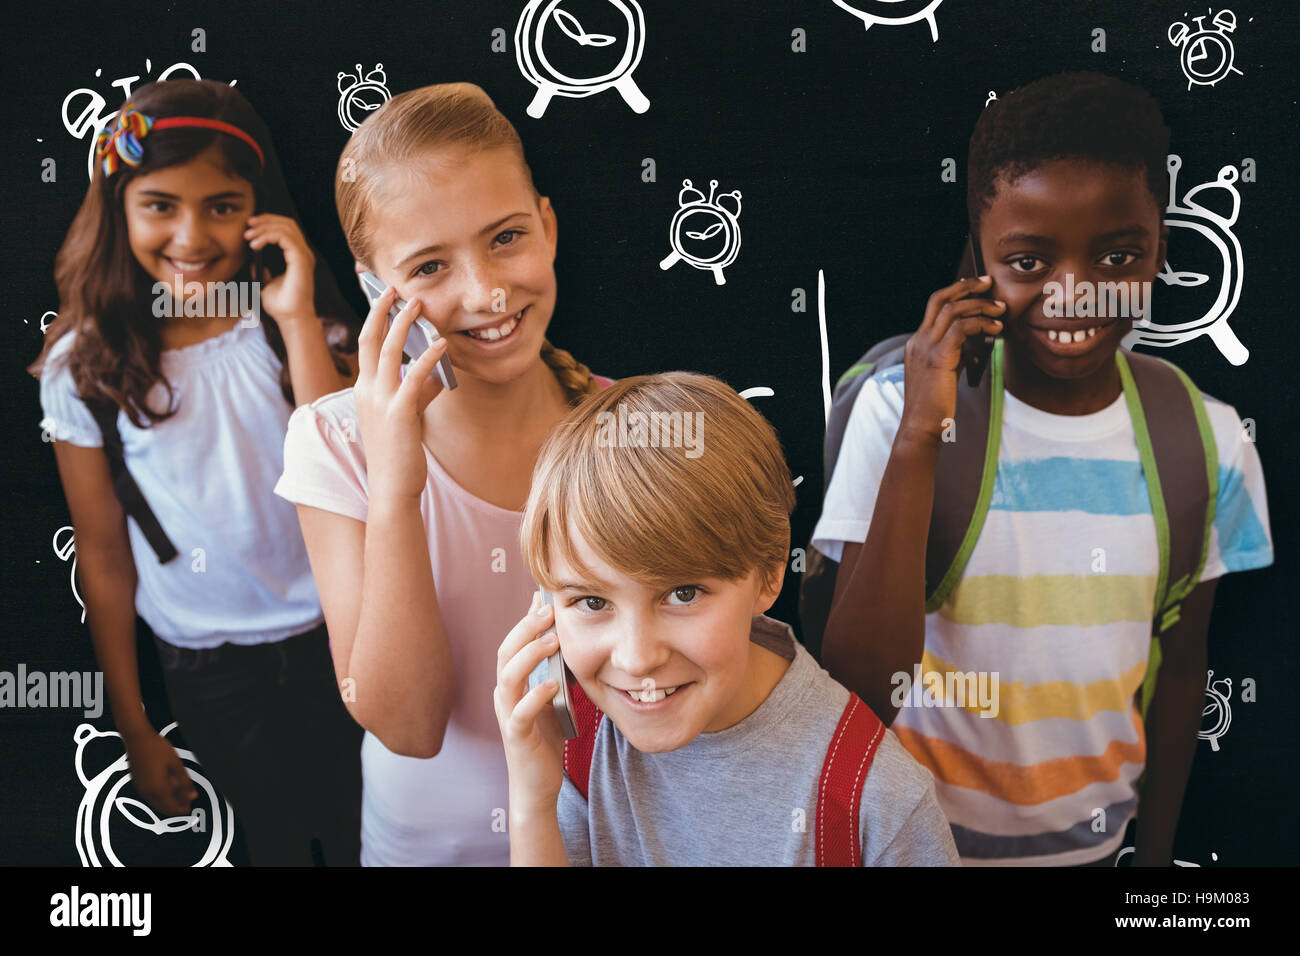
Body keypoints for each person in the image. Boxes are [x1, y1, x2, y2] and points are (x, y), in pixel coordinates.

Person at [811, 72, 1273, 866]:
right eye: (1028, 261)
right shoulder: (897, 410)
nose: (1076, 295)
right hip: (903, 849)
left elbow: (1183, 665)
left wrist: (1154, 866)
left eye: (1118, 255)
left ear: (1162, 241)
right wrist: (922, 433)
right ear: (980, 260)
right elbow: (855, 682)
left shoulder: (1207, 438)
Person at [274, 82, 612, 865]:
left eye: (505, 237)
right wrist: (396, 485)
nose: (486, 291)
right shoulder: (333, 442)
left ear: (548, 226)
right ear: (372, 289)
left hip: (608, 842)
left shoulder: (621, 429)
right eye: (430, 266)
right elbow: (408, 725)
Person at [31, 79, 364, 865]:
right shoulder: (83, 369)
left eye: (221, 205)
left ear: (258, 204)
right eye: (160, 205)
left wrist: (295, 315)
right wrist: (134, 726)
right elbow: (105, 555)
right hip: (206, 661)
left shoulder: (291, 327)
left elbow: (350, 462)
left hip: (342, 631)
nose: (191, 234)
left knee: (367, 833)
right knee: (273, 841)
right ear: (118, 207)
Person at [495, 372, 959, 866]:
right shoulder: (577, 746)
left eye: (683, 593)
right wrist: (532, 805)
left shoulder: (876, 801)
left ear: (769, 571)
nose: (636, 658)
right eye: (591, 602)